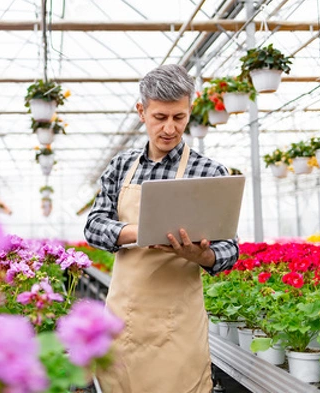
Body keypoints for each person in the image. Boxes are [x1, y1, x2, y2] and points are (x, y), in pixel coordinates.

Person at [84, 64, 239, 393]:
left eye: (179, 117)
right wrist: (140, 231)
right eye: (160, 117)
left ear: (190, 111)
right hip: (123, 318)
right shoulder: (122, 166)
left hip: (178, 326)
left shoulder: (208, 171)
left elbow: (231, 247)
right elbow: (94, 226)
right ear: (142, 111)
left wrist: (203, 255)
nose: (170, 128)